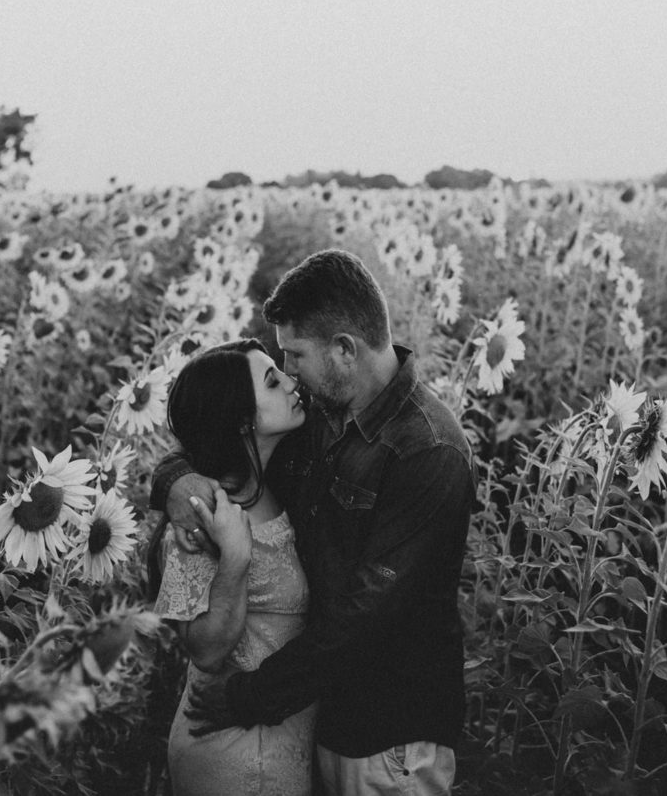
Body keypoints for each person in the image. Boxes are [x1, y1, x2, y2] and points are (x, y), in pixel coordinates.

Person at [151, 249, 475, 796]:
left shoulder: (428, 451)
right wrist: (176, 480)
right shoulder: (322, 412)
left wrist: (245, 697)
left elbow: (365, 617)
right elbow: (225, 436)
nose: (289, 373)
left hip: (386, 734)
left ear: (345, 350)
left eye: (295, 355)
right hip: (310, 715)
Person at [146, 338, 316, 795]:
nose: (289, 380)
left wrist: (170, 479)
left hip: (281, 735)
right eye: (271, 380)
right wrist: (236, 557)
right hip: (232, 751)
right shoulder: (204, 515)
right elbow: (205, 649)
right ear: (244, 419)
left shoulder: (278, 478)